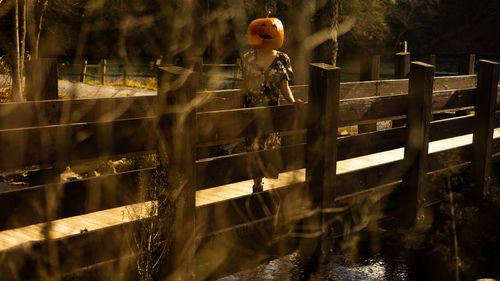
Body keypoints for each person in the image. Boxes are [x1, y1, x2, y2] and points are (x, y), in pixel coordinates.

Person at [239, 18, 304, 193]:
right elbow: (244, 86)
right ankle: (257, 186)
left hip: (272, 112)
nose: (268, 30)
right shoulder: (247, 57)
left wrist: (293, 102)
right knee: (253, 151)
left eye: (272, 27)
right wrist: (238, 110)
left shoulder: (282, 58)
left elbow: (285, 87)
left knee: (268, 151)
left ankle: (266, 190)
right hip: (251, 111)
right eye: (263, 27)